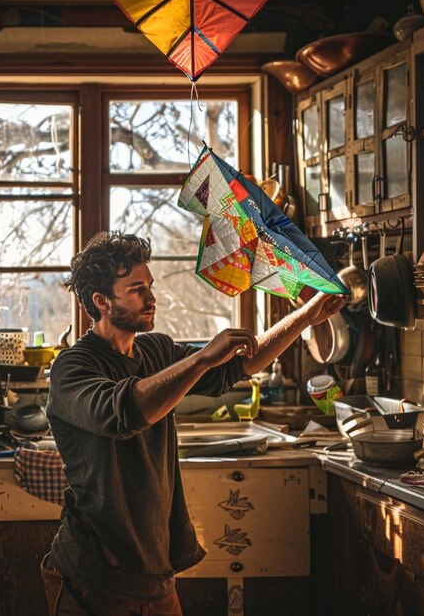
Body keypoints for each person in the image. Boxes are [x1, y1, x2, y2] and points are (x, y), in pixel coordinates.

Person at [41, 230, 346, 616]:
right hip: (96, 575)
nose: (151, 298)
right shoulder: (73, 367)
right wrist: (202, 358)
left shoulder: (155, 349)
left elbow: (237, 366)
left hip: (154, 573)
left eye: (150, 286)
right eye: (136, 289)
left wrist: (305, 317)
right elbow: (124, 413)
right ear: (101, 301)